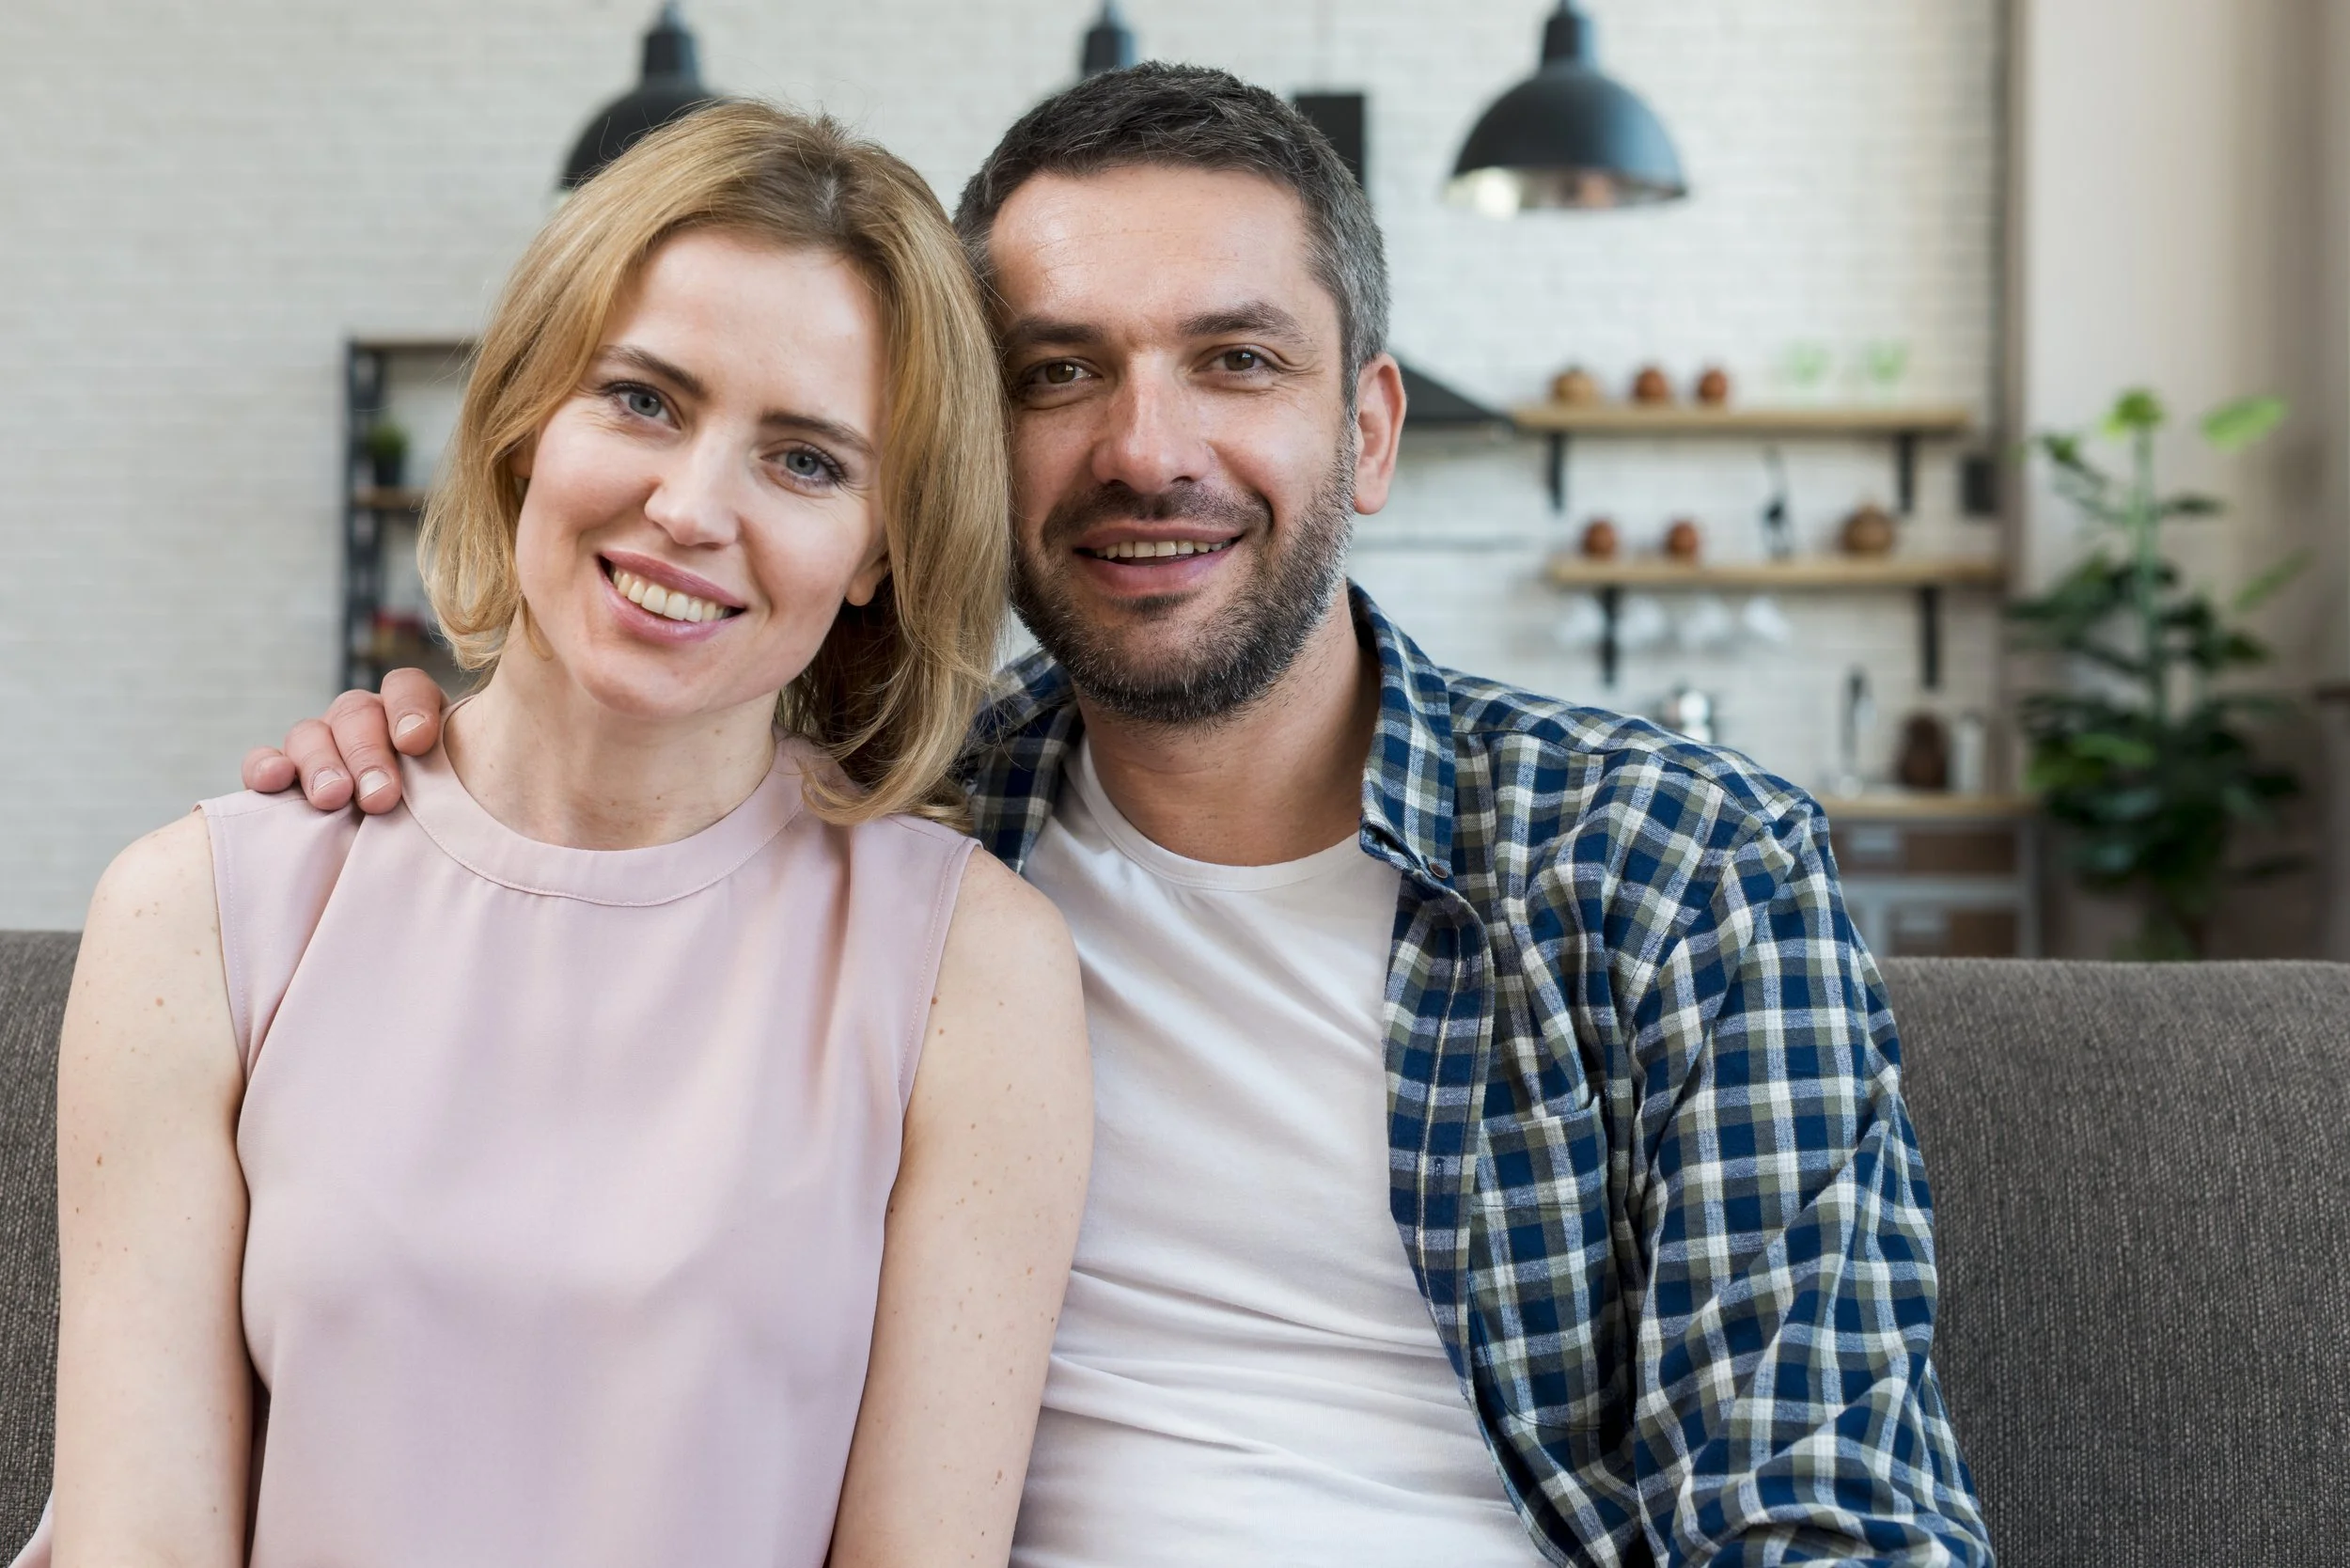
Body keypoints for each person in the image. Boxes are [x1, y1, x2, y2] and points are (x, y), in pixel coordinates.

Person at [241, 65, 1993, 1566]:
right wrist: (416, 759)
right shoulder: (881, 852)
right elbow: (553, 884)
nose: (1146, 450)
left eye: (1235, 360)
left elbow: (1827, 1507)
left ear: (1366, 432)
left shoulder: (1675, 867)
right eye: (1058, 371)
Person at [27, 102, 1091, 1568]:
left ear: (883, 551)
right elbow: (139, 1543)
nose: (688, 507)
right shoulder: (197, 913)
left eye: (805, 462)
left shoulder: (971, 972)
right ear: (530, 419)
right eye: (644, 399)